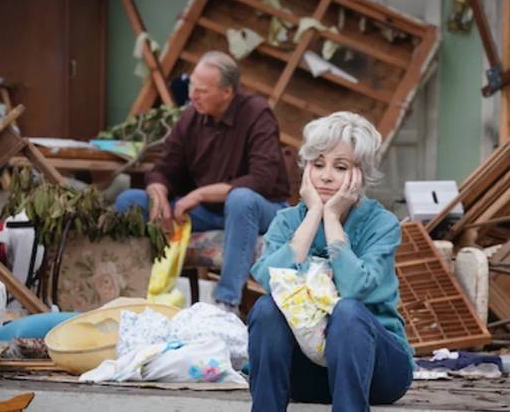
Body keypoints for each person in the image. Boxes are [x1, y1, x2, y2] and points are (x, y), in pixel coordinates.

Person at [248, 112, 414, 411]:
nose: (325, 175)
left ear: (359, 174)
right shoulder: (288, 221)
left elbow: (354, 289)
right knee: (266, 308)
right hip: (306, 372)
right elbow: (269, 281)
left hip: (377, 370)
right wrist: (313, 215)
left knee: (347, 310)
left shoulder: (381, 224)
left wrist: (333, 219)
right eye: (318, 164)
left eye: (340, 167)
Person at [115, 51, 290, 313]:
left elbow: (261, 180)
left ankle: (226, 304)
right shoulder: (191, 116)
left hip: (262, 208)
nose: (192, 95)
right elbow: (164, 168)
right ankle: (135, 291)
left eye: (202, 90)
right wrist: (158, 193)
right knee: (129, 201)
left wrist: (200, 194)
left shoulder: (257, 113)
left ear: (227, 92)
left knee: (240, 199)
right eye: (192, 86)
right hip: (209, 213)